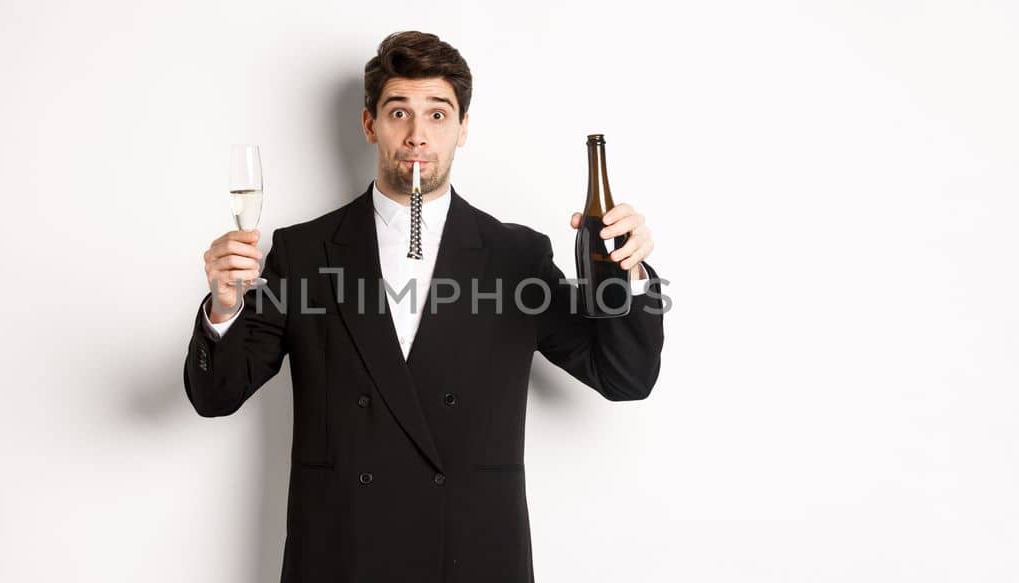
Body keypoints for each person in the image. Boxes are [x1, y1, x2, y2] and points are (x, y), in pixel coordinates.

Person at [185, 30, 666, 583]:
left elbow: (625, 376)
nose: (418, 135)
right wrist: (224, 308)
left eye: (438, 115)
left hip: (471, 556)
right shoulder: (302, 253)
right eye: (399, 113)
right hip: (341, 555)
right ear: (370, 124)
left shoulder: (517, 256)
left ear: (463, 129)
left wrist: (628, 275)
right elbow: (216, 395)